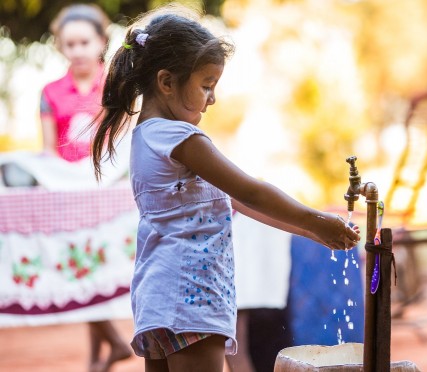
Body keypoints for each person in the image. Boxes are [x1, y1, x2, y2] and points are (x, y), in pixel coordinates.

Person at [90, 6, 361, 372]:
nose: (212, 98)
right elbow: (251, 192)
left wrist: (315, 231)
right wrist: (316, 221)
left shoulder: (147, 138)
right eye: (206, 85)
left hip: (158, 298)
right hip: (192, 299)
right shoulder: (181, 138)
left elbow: (246, 205)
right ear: (167, 82)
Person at [41, 4, 132, 372]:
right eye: (70, 44)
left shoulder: (116, 85)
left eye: (84, 42)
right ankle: (110, 346)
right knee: (80, 270)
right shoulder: (50, 91)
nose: (77, 50)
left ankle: (98, 358)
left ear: (100, 42)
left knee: (100, 269)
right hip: (68, 194)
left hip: (110, 190)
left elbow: (124, 140)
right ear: (61, 46)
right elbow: (48, 151)